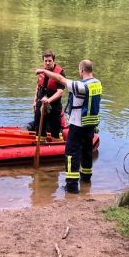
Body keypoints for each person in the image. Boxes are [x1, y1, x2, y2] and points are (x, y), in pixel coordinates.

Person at [35, 59, 102, 193]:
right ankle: (86, 179)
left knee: (71, 154)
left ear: (82, 70)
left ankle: (71, 186)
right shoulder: (97, 84)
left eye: (79, 70)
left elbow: (60, 79)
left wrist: (44, 71)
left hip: (78, 125)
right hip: (91, 124)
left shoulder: (81, 86)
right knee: (87, 152)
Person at [29, 50, 65, 139]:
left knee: (55, 131)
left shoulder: (60, 73)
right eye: (45, 61)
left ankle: (56, 143)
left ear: (54, 61)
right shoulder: (41, 71)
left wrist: (48, 100)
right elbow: (38, 87)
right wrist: (34, 102)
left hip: (54, 105)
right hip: (40, 102)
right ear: (43, 61)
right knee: (39, 130)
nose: (47, 63)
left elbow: (60, 92)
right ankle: (41, 142)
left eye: (50, 61)